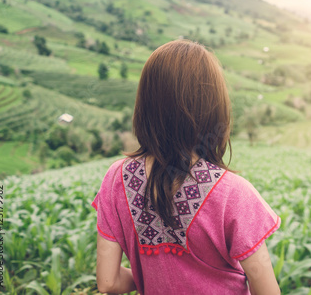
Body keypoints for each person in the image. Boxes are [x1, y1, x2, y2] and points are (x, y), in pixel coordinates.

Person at [91, 39, 281, 294]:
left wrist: (156, 279)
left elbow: (108, 282)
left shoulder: (116, 178)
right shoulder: (233, 194)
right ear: (214, 108)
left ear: (146, 104)